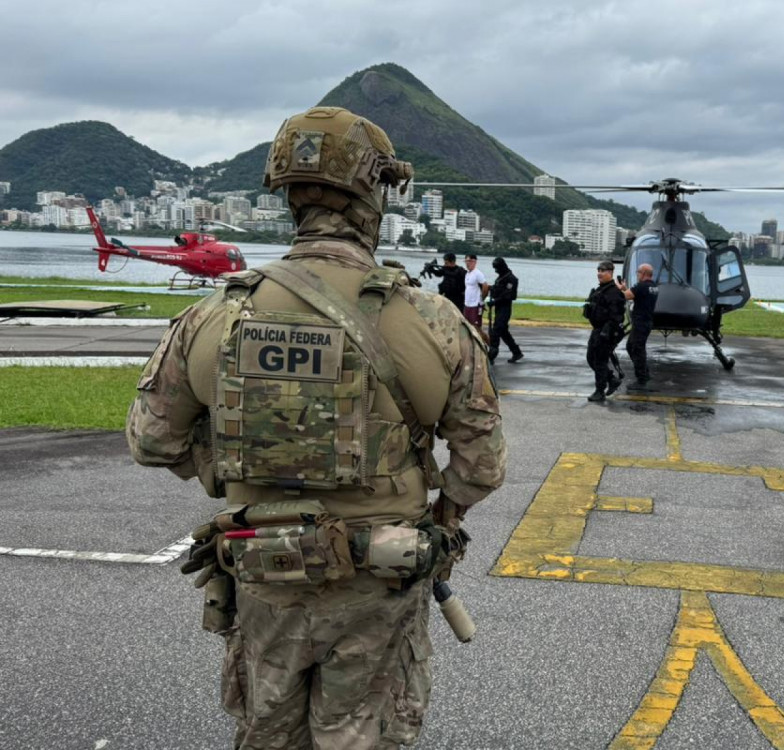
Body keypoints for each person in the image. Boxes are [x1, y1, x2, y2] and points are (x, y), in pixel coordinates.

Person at [125, 106, 506, 749]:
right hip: (382, 578)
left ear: (288, 196)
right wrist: (442, 515)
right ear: (373, 195)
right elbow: (482, 464)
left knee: (265, 733)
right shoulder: (433, 321)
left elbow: (151, 440)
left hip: (263, 572)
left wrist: (231, 468)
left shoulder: (213, 315)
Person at [583, 259, 628, 402]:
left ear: (610, 273)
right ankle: (612, 380)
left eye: (602, 271)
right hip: (597, 330)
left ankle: (599, 390)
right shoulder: (601, 289)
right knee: (591, 358)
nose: (599, 273)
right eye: (598, 270)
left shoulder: (614, 292)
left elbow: (617, 317)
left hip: (606, 332)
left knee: (600, 360)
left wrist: (606, 333)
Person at [623, 263, 658, 386]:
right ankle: (644, 372)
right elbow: (636, 295)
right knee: (631, 347)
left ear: (643, 273)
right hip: (646, 322)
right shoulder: (653, 286)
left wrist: (617, 288)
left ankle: (642, 378)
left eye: (638, 272)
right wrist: (625, 287)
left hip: (640, 323)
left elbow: (625, 296)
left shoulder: (641, 286)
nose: (637, 274)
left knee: (637, 349)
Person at [487, 257, 523, 363]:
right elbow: (497, 290)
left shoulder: (511, 279)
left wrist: (495, 302)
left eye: (497, 268)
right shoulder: (501, 278)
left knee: (496, 330)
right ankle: (516, 352)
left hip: (505, 308)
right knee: (503, 332)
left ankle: (492, 354)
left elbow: (509, 296)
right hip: (499, 308)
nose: (496, 270)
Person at [462, 253, 489, 330]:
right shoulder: (467, 274)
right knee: (467, 326)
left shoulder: (478, 273)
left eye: (470, 261)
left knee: (476, 327)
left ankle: (486, 342)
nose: (468, 263)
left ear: (475, 262)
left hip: (476, 304)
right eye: (466, 261)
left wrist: (482, 299)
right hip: (467, 304)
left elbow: (485, 287)